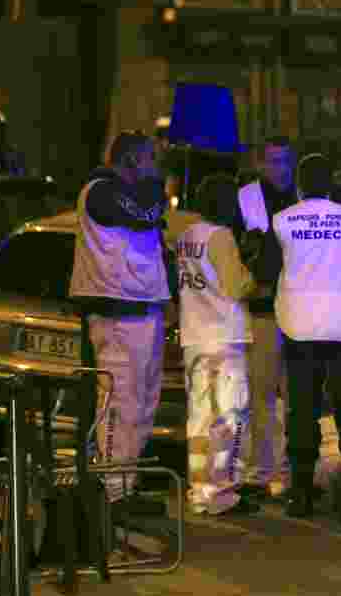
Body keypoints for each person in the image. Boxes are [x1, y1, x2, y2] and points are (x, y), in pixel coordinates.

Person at [267, 153, 341, 525]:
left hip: (301, 330)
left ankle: (300, 494)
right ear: (332, 184)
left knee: (302, 410)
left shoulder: (282, 220)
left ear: (299, 185)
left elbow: (269, 267)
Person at [69, 131, 172, 518]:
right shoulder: (100, 192)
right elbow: (145, 215)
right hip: (116, 313)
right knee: (118, 402)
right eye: (149, 160)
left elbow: (150, 217)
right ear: (130, 161)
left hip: (143, 309)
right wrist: (156, 193)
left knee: (143, 403)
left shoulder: (137, 191)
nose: (154, 168)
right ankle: (112, 491)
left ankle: (126, 484)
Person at [177, 173, 267, 516]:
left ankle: (199, 490)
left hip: (195, 337)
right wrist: (253, 270)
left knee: (199, 418)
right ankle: (223, 492)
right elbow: (235, 286)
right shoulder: (222, 236)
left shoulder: (187, 236)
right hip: (224, 337)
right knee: (230, 416)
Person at [236, 135, 298, 500]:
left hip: (299, 311)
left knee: (296, 397)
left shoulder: (304, 195)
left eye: (285, 160)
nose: (280, 168)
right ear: (260, 164)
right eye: (273, 161)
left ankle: (291, 473)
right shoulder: (246, 198)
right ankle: (260, 472)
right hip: (262, 310)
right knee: (261, 394)